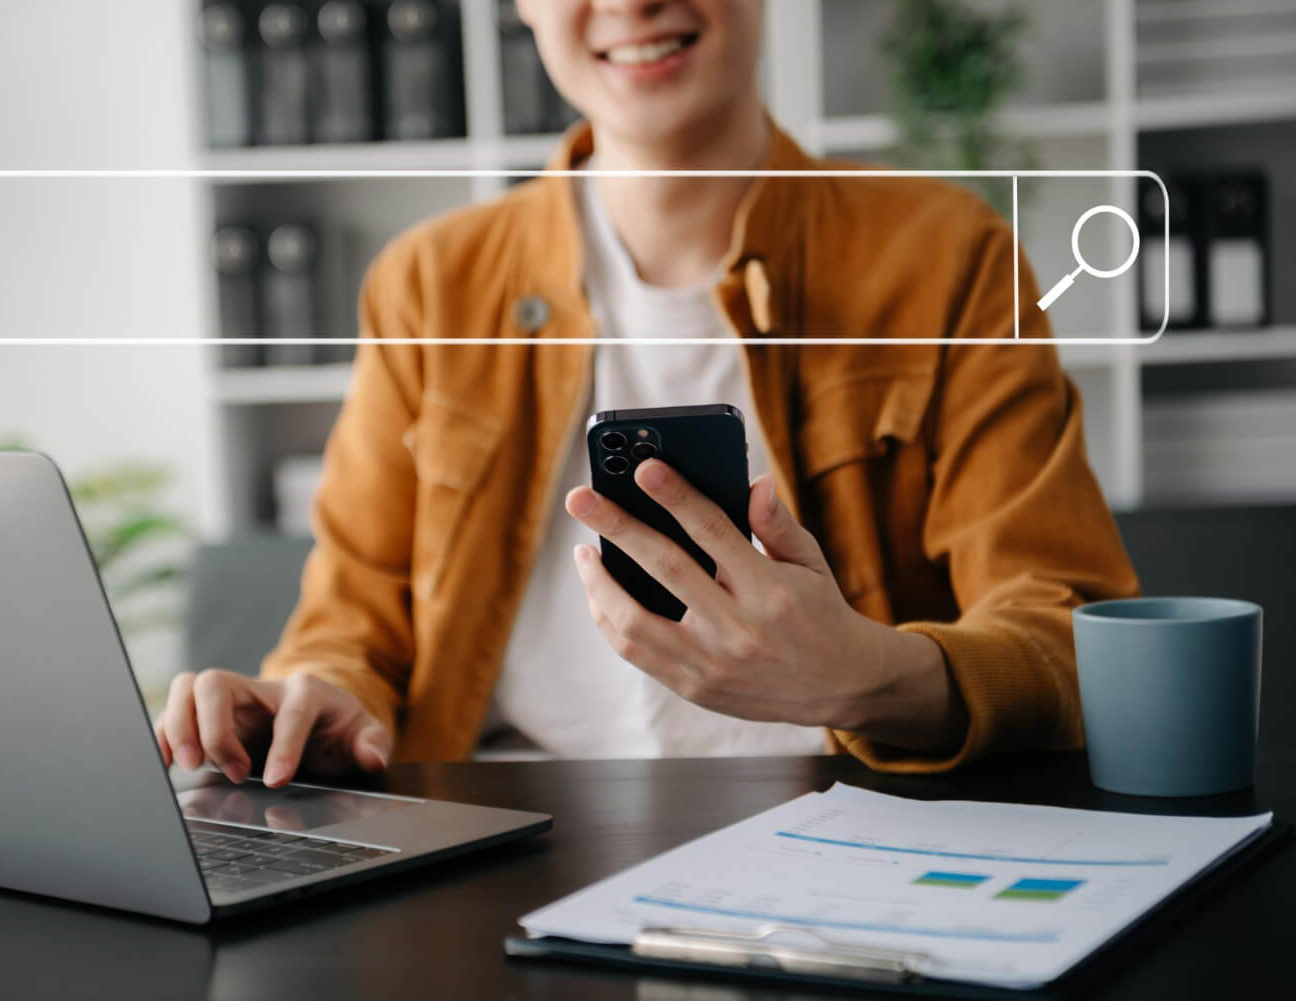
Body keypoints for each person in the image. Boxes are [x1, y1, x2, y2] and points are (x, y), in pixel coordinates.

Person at [155, 0, 1137, 785]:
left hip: (846, 826)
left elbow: (1066, 633)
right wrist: (318, 692)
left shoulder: (947, 257)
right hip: (500, 837)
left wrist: (866, 675)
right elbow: (353, 609)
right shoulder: (427, 283)